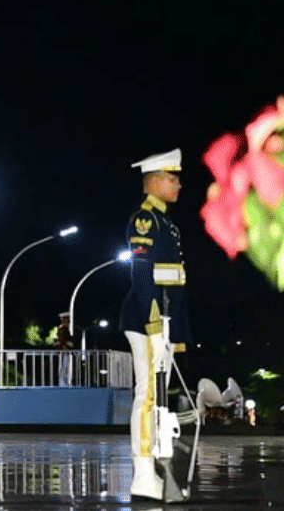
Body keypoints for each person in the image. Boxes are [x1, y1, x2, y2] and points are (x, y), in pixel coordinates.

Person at [120, 148, 191, 500]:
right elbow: (141, 273)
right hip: (147, 317)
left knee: (157, 396)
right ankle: (143, 474)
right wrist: (153, 323)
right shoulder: (145, 220)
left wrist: (172, 329)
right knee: (147, 395)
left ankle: (150, 473)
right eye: (172, 178)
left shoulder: (165, 222)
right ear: (154, 181)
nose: (179, 184)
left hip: (162, 318)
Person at [57, 312, 73, 386]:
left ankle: (64, 382)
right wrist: (65, 347)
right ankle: (63, 383)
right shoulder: (63, 329)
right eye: (67, 320)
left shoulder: (64, 329)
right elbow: (62, 340)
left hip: (65, 351)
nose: (68, 322)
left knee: (65, 367)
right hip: (64, 351)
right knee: (64, 367)